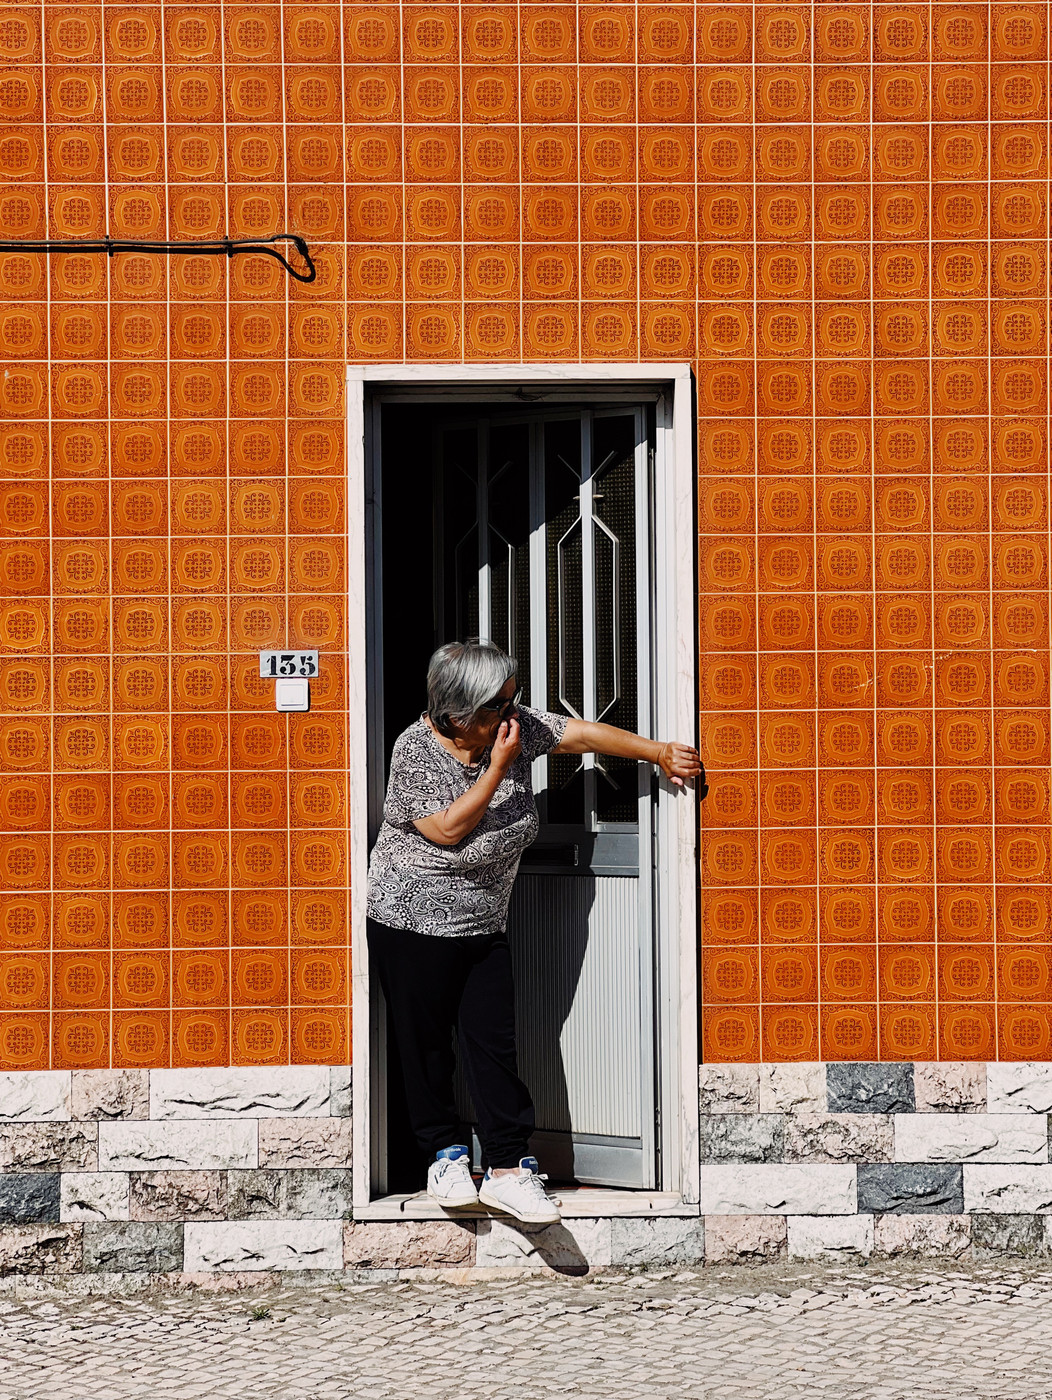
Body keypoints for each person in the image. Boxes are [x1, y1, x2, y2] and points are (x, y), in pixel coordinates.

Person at [366, 639, 704, 1223]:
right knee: (424, 1048)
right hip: (410, 919)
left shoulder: (512, 726)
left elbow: (578, 735)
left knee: (492, 1043)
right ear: (457, 715)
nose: (513, 711)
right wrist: (498, 768)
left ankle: (507, 1167)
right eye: (499, 703)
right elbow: (447, 831)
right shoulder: (415, 751)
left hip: (482, 919)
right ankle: (444, 1158)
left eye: (512, 698)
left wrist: (658, 752)